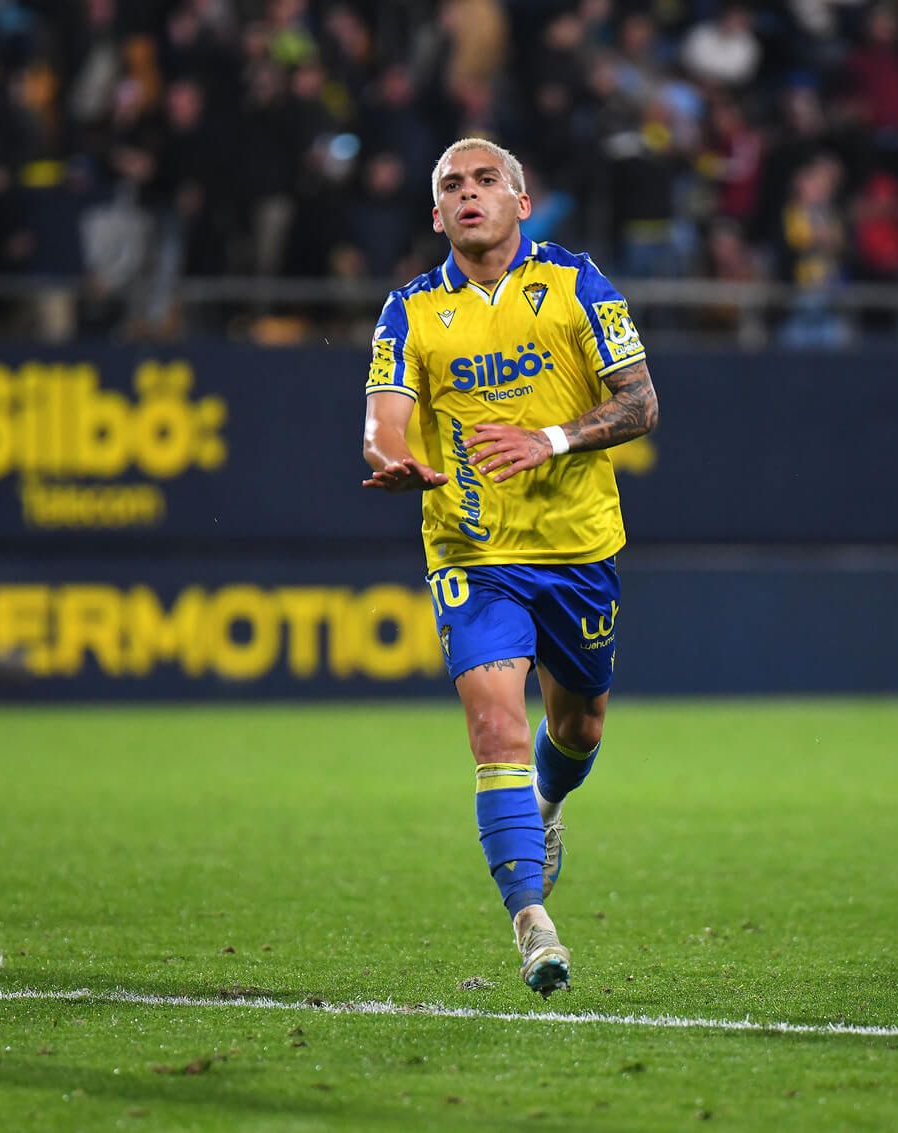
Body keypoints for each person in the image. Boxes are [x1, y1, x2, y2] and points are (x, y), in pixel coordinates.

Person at [360, 137, 659, 996]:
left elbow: (641, 400)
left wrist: (551, 439)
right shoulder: (409, 309)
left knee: (581, 727)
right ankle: (533, 923)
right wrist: (392, 456)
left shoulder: (575, 282)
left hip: (577, 547)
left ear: (521, 202)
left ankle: (549, 808)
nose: (467, 193)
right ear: (435, 212)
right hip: (472, 549)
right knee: (494, 728)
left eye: (485, 180)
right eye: (450, 184)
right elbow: (382, 418)